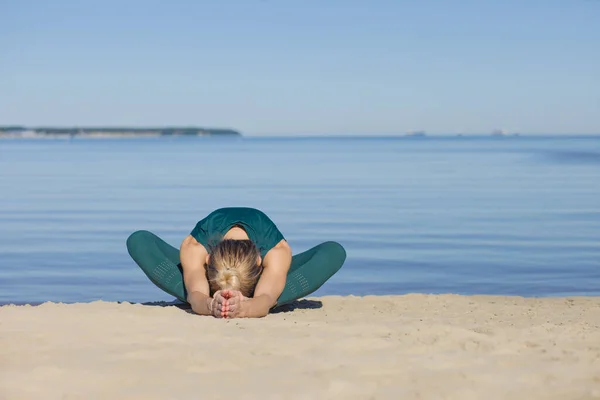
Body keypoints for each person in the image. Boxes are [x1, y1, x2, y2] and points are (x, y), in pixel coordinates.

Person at [179, 207, 292, 319]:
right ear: (259, 260)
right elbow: (195, 296)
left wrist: (243, 309)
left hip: (256, 226)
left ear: (207, 259)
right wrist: (211, 306)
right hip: (217, 225)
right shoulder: (193, 246)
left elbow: (266, 299)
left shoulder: (277, 249)